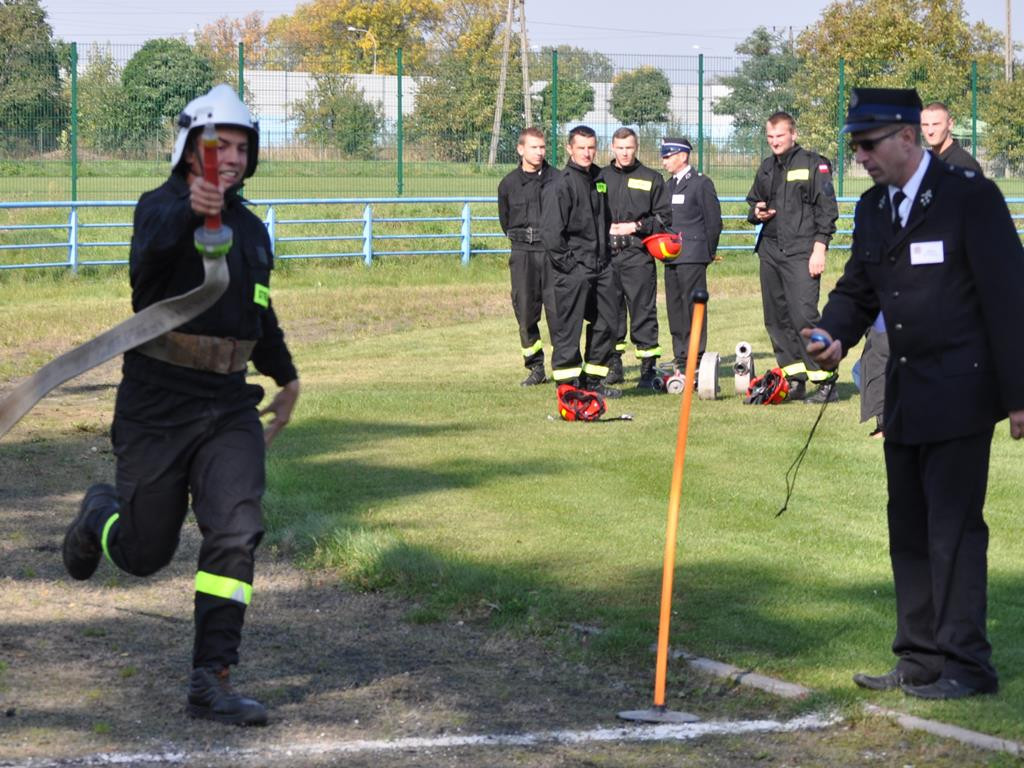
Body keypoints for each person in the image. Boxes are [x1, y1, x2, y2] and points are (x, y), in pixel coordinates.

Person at [61, 84, 300, 725]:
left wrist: (285, 376)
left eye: (242, 147)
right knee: (144, 554)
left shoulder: (250, 229)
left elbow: (256, 308)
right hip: (158, 405)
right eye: (218, 145)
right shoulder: (158, 209)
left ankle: (211, 680)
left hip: (228, 406)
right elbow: (147, 275)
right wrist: (191, 216)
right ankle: (97, 517)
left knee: (237, 529)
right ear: (190, 149)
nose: (232, 158)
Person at [804, 87, 1024, 700]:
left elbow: (1010, 298)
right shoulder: (875, 208)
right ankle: (920, 657)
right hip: (903, 394)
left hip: (960, 392)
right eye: (855, 149)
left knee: (952, 532)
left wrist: (1019, 394)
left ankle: (967, 665)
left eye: (869, 146)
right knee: (909, 530)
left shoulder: (969, 198)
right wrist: (832, 332)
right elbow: (857, 289)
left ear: (906, 137)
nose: (862, 159)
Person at [746, 112, 839, 403]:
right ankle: (795, 379)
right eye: (770, 137)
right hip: (770, 251)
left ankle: (826, 382)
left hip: (802, 252)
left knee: (804, 316)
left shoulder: (815, 164)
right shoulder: (766, 167)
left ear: (793, 134)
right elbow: (754, 203)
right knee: (776, 318)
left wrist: (820, 247)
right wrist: (757, 212)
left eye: (780, 136)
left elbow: (827, 209)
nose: (775, 142)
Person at [540, 125, 621, 398]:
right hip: (573, 268)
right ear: (569, 148)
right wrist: (571, 267)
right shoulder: (560, 185)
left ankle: (594, 380)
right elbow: (551, 234)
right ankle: (567, 385)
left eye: (591, 147)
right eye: (581, 148)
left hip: (602, 265)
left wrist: (605, 258)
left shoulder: (599, 178)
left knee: (609, 323)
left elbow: (605, 220)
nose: (587, 153)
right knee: (568, 328)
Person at [599, 127, 670, 388]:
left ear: (636, 147)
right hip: (607, 255)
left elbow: (663, 218)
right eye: (620, 147)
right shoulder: (600, 177)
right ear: (612, 148)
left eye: (629, 147)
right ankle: (613, 365)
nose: (625, 152)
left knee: (643, 311)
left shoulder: (651, 178)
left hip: (637, 254)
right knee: (610, 313)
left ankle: (648, 368)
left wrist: (635, 227)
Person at [498, 127, 557, 387]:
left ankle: (564, 368)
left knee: (559, 311)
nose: (540, 152)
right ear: (521, 149)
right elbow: (505, 221)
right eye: (534, 147)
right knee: (525, 312)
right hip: (523, 254)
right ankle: (535, 368)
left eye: (542, 147)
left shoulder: (559, 179)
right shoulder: (508, 184)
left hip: (552, 252)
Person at [659, 137, 722, 378]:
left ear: (682, 156)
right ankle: (681, 356)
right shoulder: (668, 186)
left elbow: (713, 222)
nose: (663, 161)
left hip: (693, 255)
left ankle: (695, 357)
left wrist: (708, 253)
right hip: (671, 256)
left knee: (692, 308)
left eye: (668, 156)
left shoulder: (700, 183)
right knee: (675, 308)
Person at [920, 101, 983, 175]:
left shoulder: (964, 164)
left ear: (950, 124)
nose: (930, 131)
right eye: (925, 125)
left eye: (936, 124)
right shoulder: (925, 163)